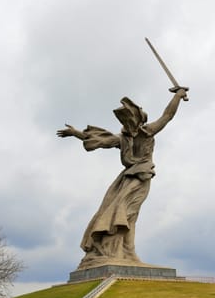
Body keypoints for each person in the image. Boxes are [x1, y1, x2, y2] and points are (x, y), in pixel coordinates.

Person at [57, 86, 188, 269]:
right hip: (126, 178)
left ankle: (127, 251)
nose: (127, 124)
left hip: (141, 177)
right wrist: (76, 133)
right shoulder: (123, 138)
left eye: (129, 120)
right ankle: (120, 251)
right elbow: (101, 141)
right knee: (113, 210)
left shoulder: (148, 130)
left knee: (127, 213)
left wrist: (177, 96)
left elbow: (167, 115)